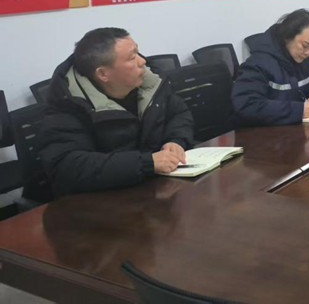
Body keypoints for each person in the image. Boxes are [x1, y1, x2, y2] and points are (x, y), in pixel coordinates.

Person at [38, 28, 195, 197]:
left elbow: (178, 113)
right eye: (132, 57)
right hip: (99, 201)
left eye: (138, 52)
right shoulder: (68, 106)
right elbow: (68, 167)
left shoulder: (149, 84)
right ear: (103, 74)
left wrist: (175, 140)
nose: (142, 61)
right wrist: (146, 163)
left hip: (151, 188)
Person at [233, 9, 309, 125]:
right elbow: (247, 105)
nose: (308, 53)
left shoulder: (302, 60)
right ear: (287, 36)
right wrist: (298, 111)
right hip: (265, 132)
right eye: (305, 45)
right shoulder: (258, 64)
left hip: (297, 128)